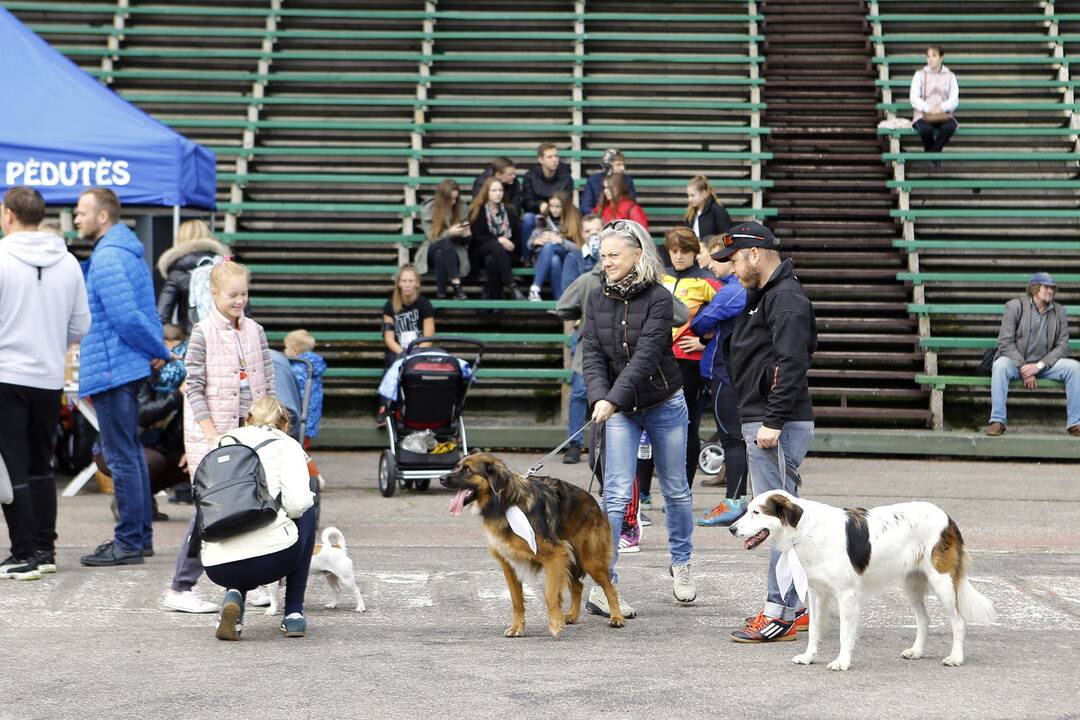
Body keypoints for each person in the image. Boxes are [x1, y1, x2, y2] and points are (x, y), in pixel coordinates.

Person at [582, 219, 696, 618]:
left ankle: (681, 563)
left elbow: (648, 356)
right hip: (618, 408)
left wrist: (609, 399)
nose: (607, 262)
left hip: (663, 401)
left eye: (614, 255)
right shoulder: (595, 298)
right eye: (603, 256)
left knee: (676, 488)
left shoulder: (660, 298)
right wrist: (600, 397)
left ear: (637, 255)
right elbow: (593, 354)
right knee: (614, 494)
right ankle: (605, 581)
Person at [713, 221, 817, 643]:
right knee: (780, 518)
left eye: (735, 259)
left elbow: (794, 362)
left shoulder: (786, 297)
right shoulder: (767, 295)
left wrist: (772, 420)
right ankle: (800, 607)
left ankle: (781, 612)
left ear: (755, 254)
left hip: (777, 421)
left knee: (777, 524)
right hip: (767, 416)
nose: (732, 269)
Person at [76, 188, 173, 567]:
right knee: (129, 453)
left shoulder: (109, 257)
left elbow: (127, 317)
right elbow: (140, 313)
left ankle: (129, 541)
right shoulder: (122, 252)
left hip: (114, 368)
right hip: (122, 364)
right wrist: (154, 348)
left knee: (121, 456)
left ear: (103, 216)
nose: (76, 217)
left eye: (82, 211)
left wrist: (159, 349)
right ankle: (140, 537)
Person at [0, 187, 91, 580]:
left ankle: (22, 552)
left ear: (7, 215)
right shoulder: (68, 261)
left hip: (6, 373)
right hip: (49, 375)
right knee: (42, 465)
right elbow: (81, 324)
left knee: (10, 466)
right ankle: (45, 548)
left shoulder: (2, 258)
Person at [201, 397, 317, 640]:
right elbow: (297, 504)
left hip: (216, 565)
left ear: (247, 420)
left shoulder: (224, 441)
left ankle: (234, 592)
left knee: (234, 516)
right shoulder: (287, 444)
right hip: (273, 560)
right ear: (286, 425)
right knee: (307, 512)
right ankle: (294, 612)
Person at [691, 235, 749, 526]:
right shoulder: (748, 288)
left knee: (732, 438)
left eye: (722, 259)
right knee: (736, 438)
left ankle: (736, 502)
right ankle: (735, 497)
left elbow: (698, 323)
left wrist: (706, 331)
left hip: (726, 374)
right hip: (742, 372)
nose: (713, 264)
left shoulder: (733, 292)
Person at [660, 227, 719, 489]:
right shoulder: (660, 278)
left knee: (688, 425)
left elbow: (732, 314)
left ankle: (684, 487)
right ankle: (650, 490)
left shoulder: (707, 280)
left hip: (690, 362)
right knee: (656, 427)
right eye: (674, 251)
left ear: (695, 252)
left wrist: (704, 341)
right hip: (659, 360)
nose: (679, 256)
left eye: (685, 251)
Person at [986, 272, 1080, 437]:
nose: (1050, 291)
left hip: (1044, 365)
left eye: (1052, 288)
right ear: (1035, 288)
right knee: (999, 365)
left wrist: (1038, 366)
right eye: (1046, 287)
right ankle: (997, 421)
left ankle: (1075, 423)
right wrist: (1024, 367)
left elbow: (1063, 346)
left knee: (1074, 367)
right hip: (1016, 364)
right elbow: (1005, 342)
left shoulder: (1059, 311)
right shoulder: (1015, 306)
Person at [376, 265, 435, 428]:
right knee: (392, 364)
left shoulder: (424, 304)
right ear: (399, 284)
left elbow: (429, 336)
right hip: (398, 349)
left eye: (410, 280)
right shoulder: (390, 306)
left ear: (417, 283)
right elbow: (389, 338)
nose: (407, 284)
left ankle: (423, 411)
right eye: (404, 280)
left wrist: (415, 352)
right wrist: (403, 353)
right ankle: (384, 408)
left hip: (420, 349)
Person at [156, 219, 227, 332]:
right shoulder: (225, 266)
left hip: (193, 338)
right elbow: (244, 308)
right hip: (226, 338)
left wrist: (176, 335)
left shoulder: (177, 271)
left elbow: (162, 316)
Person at [468, 178, 526, 302]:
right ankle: (512, 285)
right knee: (495, 246)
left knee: (492, 260)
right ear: (486, 193)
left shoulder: (510, 211)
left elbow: (516, 237)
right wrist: (499, 240)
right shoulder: (478, 210)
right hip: (480, 251)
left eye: (500, 190)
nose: (498, 193)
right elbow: (477, 238)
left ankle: (495, 299)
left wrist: (511, 244)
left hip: (504, 254)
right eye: (494, 190)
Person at [417, 179, 471, 300]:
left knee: (440, 254)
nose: (453, 202)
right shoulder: (429, 208)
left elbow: (465, 243)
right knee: (443, 242)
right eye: (450, 199)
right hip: (431, 246)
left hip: (455, 251)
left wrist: (467, 235)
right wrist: (449, 233)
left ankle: (441, 294)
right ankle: (457, 284)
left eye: (456, 198)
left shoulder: (461, 207)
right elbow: (432, 237)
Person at [527, 191, 584, 302]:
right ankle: (560, 300)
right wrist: (536, 241)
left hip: (568, 258)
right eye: (551, 206)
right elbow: (529, 243)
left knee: (550, 246)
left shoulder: (574, 219)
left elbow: (579, 248)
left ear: (565, 207)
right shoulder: (542, 219)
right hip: (543, 259)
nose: (554, 209)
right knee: (554, 260)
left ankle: (535, 287)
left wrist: (560, 241)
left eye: (558, 206)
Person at [521, 143, 573, 260]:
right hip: (538, 213)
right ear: (541, 160)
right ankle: (526, 258)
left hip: (559, 213)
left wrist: (553, 207)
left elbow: (567, 200)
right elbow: (526, 203)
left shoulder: (566, 176)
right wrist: (540, 205)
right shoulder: (530, 176)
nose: (554, 160)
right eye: (550, 157)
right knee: (528, 218)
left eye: (556, 156)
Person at [909, 45, 959, 154]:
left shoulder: (950, 76)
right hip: (923, 115)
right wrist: (928, 108)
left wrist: (941, 108)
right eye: (928, 56)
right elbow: (914, 97)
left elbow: (954, 98)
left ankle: (931, 155)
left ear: (941, 58)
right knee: (926, 130)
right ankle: (934, 157)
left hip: (943, 115)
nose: (930, 59)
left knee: (950, 127)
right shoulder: (919, 75)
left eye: (934, 56)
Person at [283, 329, 327, 441]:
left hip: (298, 412)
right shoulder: (312, 365)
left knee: (295, 440)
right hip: (310, 412)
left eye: (286, 347)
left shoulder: (299, 367)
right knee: (303, 440)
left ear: (295, 350)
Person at [581, 148, 637, 214]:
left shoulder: (627, 180)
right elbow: (586, 207)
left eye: (623, 165)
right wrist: (600, 217)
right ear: (607, 166)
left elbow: (631, 205)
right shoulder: (593, 180)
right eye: (618, 165)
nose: (623, 168)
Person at [560, 213, 604, 294]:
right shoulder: (573, 258)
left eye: (598, 230)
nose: (593, 234)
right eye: (588, 231)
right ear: (582, 234)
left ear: (604, 232)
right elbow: (568, 291)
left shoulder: (613, 256)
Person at [683, 175, 733, 240]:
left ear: (704, 194)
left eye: (693, 195)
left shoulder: (718, 211)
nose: (689, 199)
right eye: (688, 196)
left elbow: (728, 238)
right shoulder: (691, 214)